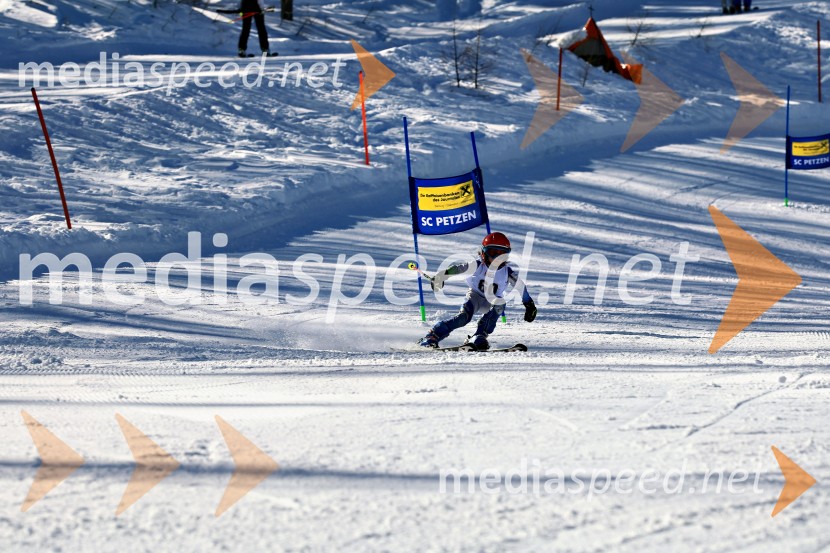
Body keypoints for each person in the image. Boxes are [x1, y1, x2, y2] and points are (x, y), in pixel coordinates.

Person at [419, 232, 537, 350]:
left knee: (500, 303)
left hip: (491, 301)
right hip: (474, 297)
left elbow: (520, 287)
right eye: (493, 253)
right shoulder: (477, 265)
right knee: (463, 318)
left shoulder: (507, 272)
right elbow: (458, 268)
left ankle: (479, 335)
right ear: (483, 252)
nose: (496, 259)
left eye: (501, 255)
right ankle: (433, 335)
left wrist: (529, 304)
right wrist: (441, 276)